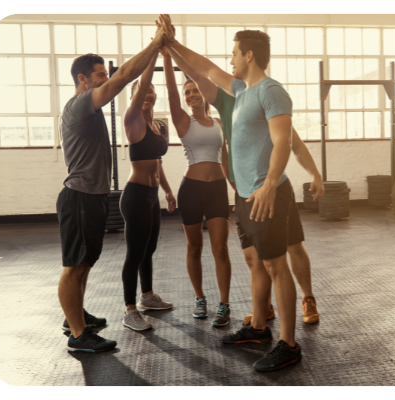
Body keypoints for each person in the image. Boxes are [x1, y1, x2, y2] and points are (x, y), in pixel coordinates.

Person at [160, 16, 303, 371]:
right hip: (244, 194)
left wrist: (270, 182)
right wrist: (171, 43)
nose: (230, 60)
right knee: (255, 261)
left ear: (250, 55)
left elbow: (283, 140)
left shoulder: (271, 91)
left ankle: (288, 342)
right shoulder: (241, 91)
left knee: (274, 265)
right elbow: (204, 68)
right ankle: (257, 327)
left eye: (235, 54)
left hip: (266, 193)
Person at [57, 15, 173, 352]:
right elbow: (125, 78)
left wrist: (155, 53)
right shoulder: (79, 105)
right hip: (78, 195)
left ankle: (74, 316)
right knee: (73, 266)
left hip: (92, 197)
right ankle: (79, 336)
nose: (106, 80)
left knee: (84, 262)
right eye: (99, 75)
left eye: (105, 75)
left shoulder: (89, 111)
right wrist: (154, 45)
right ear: (83, 79)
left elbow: (123, 78)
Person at [161, 46, 233, 327]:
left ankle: (224, 304)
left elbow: (225, 158)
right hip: (190, 190)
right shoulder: (182, 121)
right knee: (194, 248)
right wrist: (167, 57)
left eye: (194, 90)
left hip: (216, 191)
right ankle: (200, 298)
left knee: (221, 249)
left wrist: (235, 187)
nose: (191, 95)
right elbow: (170, 90)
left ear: (204, 92)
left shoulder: (218, 122)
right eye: (186, 92)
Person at [119, 50, 177, 332]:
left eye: (153, 90)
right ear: (135, 97)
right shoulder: (133, 121)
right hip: (135, 196)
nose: (149, 92)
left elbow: (158, 162)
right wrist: (155, 51)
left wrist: (167, 191)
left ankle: (147, 297)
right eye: (144, 90)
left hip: (152, 196)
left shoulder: (157, 125)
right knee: (135, 252)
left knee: (149, 249)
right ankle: (130, 310)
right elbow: (141, 85)